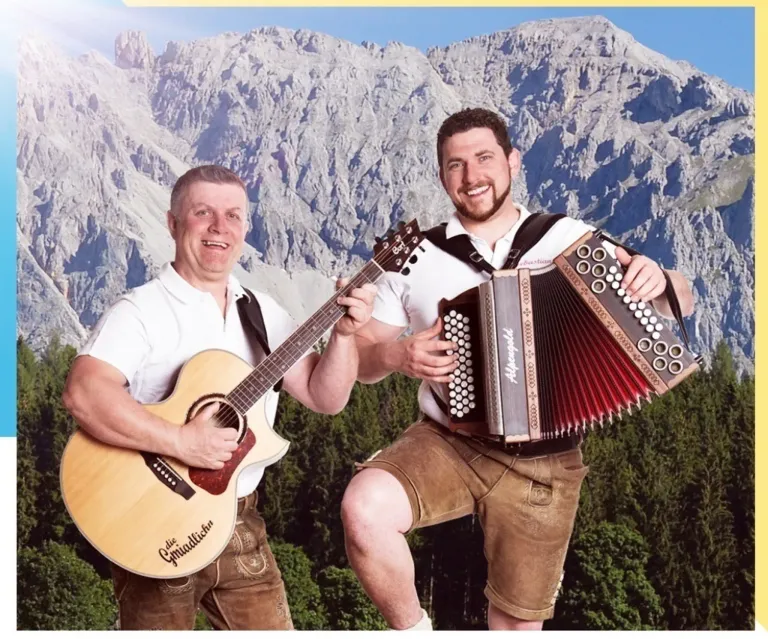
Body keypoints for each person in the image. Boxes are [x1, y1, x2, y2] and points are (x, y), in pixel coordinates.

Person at [340, 107, 694, 631]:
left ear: (512, 161)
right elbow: (363, 360)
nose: (472, 176)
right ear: (442, 177)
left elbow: (680, 302)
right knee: (364, 510)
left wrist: (662, 277)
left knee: (515, 627)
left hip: (547, 459)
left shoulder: (565, 236)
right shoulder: (417, 255)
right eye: (455, 165)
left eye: (484, 158)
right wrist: (398, 355)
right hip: (449, 440)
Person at [62, 164, 377, 630]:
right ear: (172, 223)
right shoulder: (141, 310)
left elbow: (322, 396)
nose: (219, 228)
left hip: (239, 521)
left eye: (233, 216)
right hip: (154, 519)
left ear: (246, 228)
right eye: (202, 213)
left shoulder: (263, 310)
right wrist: (181, 443)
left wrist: (346, 337)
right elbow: (83, 393)